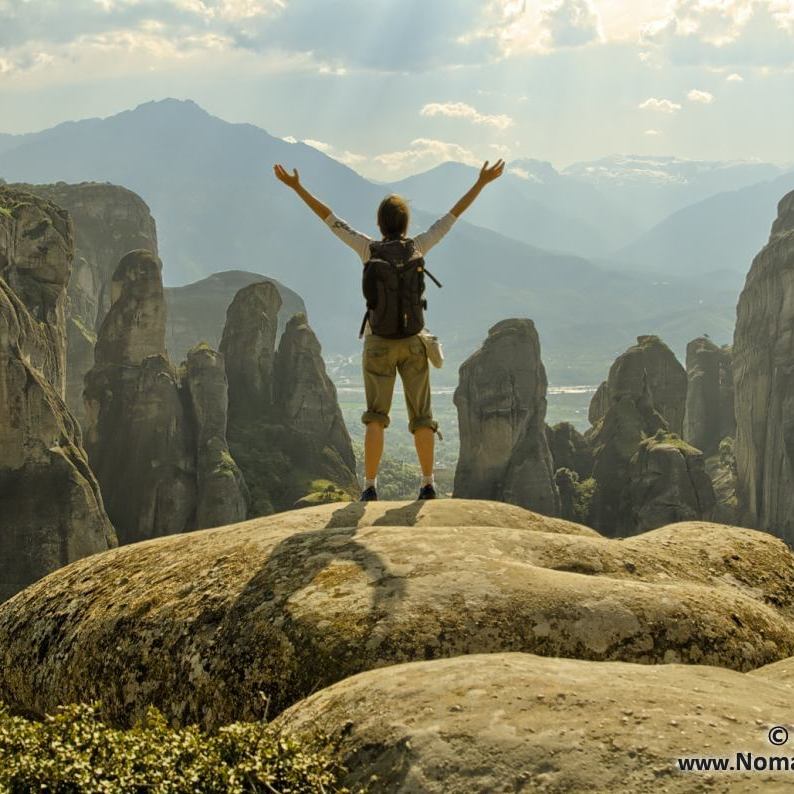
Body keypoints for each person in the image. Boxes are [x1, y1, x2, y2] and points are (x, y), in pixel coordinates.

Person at [273, 158, 505, 501]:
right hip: (414, 342)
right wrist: (481, 182)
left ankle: (369, 487)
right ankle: (428, 484)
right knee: (422, 416)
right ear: (406, 223)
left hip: (378, 343)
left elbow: (331, 220)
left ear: (380, 224)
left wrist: (297, 187)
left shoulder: (368, 249)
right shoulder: (419, 246)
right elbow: (451, 217)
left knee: (375, 417)